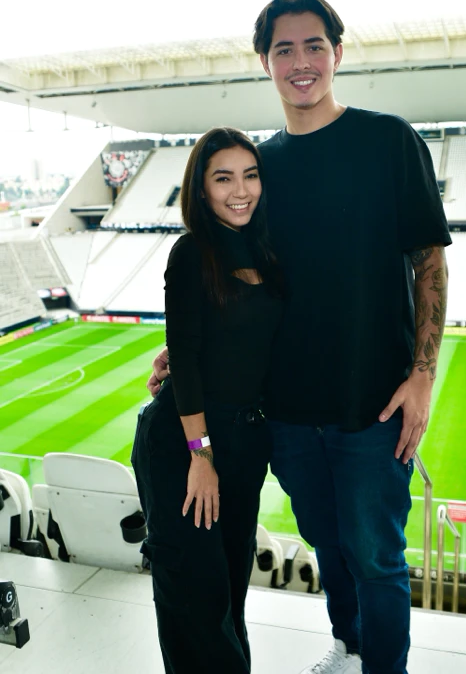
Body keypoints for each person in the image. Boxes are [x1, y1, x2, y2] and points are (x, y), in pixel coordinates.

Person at [149, 0, 451, 674]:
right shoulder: (262, 168)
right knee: (326, 540)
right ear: (265, 62)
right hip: (283, 411)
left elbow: (429, 261)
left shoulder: (388, 140)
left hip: (374, 404)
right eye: (283, 49)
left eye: (314, 45)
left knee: (376, 555)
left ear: (337, 53)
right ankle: (349, 646)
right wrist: (190, 343)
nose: (300, 61)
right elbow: (237, 277)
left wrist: (423, 374)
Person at [132, 127, 283, 674]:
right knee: (195, 602)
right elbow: (188, 355)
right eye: (224, 178)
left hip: (246, 442)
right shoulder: (191, 251)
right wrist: (201, 456)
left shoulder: (266, 246)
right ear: (201, 188)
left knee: (229, 590)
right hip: (186, 445)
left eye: (250, 175)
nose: (240, 190)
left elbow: (236, 339)